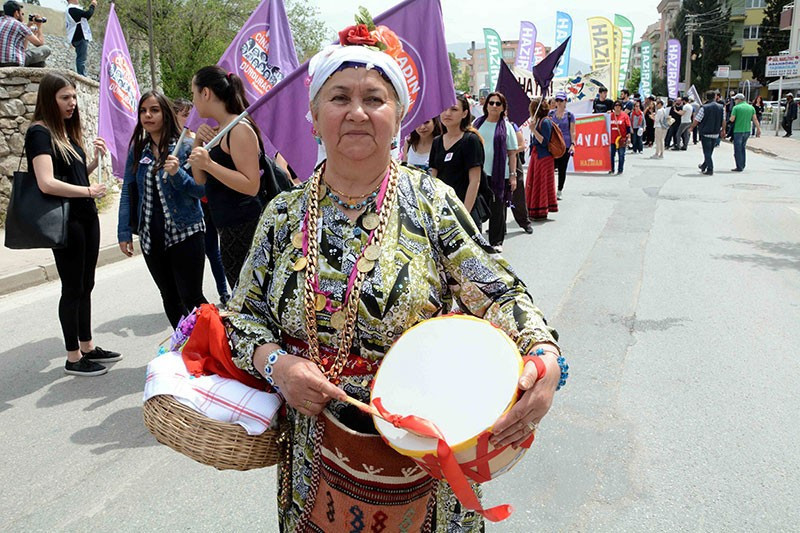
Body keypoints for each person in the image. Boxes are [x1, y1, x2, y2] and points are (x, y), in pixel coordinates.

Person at [224, 21, 565, 531]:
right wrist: (278, 366)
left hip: (426, 456)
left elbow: (498, 292)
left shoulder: (431, 203)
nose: (357, 112)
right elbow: (241, 320)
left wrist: (544, 354)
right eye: (339, 97)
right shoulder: (283, 215)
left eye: (374, 98)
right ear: (314, 116)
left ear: (400, 116)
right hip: (314, 465)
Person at [25, 72, 120, 376]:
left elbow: (73, 174)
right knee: (72, 288)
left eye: (75, 97)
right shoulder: (39, 133)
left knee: (86, 284)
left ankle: (88, 346)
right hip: (66, 221)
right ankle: (73, 357)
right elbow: (47, 183)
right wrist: (88, 191)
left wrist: (93, 161)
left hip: (86, 216)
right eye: (65, 97)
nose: (73, 103)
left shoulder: (65, 130)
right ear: (49, 99)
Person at [117, 91, 207, 328]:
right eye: (143, 111)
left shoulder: (185, 147)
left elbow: (201, 191)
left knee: (192, 297)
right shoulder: (138, 150)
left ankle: (216, 348)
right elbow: (128, 191)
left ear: (165, 114)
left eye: (154, 110)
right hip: (151, 237)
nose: (148, 115)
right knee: (170, 297)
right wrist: (124, 232)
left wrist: (178, 174)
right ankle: (184, 350)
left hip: (185, 232)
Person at [188, 66, 263, 288]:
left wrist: (210, 164)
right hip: (228, 229)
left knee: (248, 300)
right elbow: (200, 179)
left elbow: (251, 185)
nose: (193, 101)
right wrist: (197, 143)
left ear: (206, 93)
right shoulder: (219, 129)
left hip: (245, 229)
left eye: (194, 93)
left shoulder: (239, 129)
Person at [172, 98, 230, 305]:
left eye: (191, 114)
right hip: (194, 206)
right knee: (211, 249)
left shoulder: (199, 138)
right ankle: (222, 290)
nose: (189, 119)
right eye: (184, 114)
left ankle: (226, 290)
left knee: (221, 250)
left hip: (209, 198)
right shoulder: (173, 145)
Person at [429, 95, 485, 228]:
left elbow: (475, 181)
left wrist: (464, 215)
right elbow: (433, 176)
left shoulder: (471, 140)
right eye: (444, 109)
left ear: (464, 113)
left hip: (465, 210)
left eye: (454, 109)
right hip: (442, 211)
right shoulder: (437, 141)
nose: (447, 113)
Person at [473, 91, 518, 252]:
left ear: (502, 107)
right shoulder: (477, 124)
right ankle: (475, 238)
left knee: (497, 208)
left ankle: (496, 241)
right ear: (486, 105)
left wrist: (513, 176)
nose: (493, 106)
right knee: (475, 206)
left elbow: (512, 152)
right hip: (477, 174)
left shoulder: (507, 127)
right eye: (491, 103)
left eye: (498, 104)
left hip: (499, 175)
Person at [527, 97, 558, 219]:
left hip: (543, 157)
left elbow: (544, 142)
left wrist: (533, 130)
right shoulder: (539, 120)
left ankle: (541, 210)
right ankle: (534, 209)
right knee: (535, 183)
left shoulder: (545, 122)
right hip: (537, 156)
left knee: (541, 184)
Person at [0, 0, 50, 67]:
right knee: (46, 49)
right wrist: (39, 26)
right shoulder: (19, 25)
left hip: (2, 61)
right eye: (21, 13)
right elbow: (40, 43)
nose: (22, 15)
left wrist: (28, 26)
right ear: (17, 13)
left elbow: (23, 49)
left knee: (40, 63)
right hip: (13, 62)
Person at [688, 90, 724, 176]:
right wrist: (723, 130)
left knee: (707, 152)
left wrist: (692, 127)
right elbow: (723, 120)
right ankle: (704, 166)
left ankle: (710, 169)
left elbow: (697, 119)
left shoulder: (704, 107)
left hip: (706, 132)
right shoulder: (721, 107)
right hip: (715, 132)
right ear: (715, 97)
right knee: (710, 151)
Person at [548, 91, 575, 200]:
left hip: (565, 145)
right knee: (550, 168)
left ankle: (559, 190)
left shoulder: (569, 115)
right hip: (553, 145)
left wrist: (573, 144)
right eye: (557, 100)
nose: (558, 103)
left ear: (565, 101)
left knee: (562, 169)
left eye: (561, 100)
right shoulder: (550, 114)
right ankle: (549, 189)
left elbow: (572, 131)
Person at [729, 93, 761, 172]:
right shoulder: (751, 107)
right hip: (747, 130)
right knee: (743, 148)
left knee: (737, 149)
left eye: (735, 99)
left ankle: (739, 166)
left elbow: (732, 119)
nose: (735, 101)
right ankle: (742, 164)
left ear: (739, 100)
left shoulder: (736, 108)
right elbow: (755, 119)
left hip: (738, 130)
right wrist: (758, 129)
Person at [65, 0, 95, 77]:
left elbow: (84, 18)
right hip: (79, 37)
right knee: (81, 59)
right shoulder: (71, 9)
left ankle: (82, 74)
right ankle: (82, 75)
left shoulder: (72, 9)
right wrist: (92, 5)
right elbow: (87, 14)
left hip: (78, 36)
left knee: (81, 58)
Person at [609, 101, 631, 175]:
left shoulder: (625, 116)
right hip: (612, 139)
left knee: (621, 155)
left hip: (621, 139)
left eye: (619, 106)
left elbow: (628, 127)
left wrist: (628, 137)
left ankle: (620, 169)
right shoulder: (610, 116)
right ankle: (611, 169)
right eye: (616, 106)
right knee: (611, 155)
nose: (617, 107)